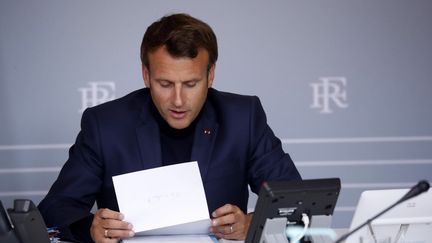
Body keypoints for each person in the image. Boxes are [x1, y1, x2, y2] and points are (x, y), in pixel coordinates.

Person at [38, 13, 301, 243]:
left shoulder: (243, 118)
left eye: (190, 84)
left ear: (210, 75)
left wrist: (252, 223)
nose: (178, 100)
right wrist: (92, 228)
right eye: (165, 84)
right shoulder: (105, 125)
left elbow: (297, 201)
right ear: (146, 75)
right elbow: (55, 208)